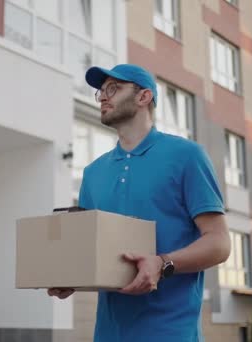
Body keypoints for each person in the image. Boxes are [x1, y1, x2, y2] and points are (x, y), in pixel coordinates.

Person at [48, 64, 232, 341]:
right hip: (108, 334)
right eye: (101, 92)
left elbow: (219, 243)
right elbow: (89, 251)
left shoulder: (186, 156)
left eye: (114, 88)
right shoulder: (93, 173)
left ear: (143, 97)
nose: (103, 97)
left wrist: (162, 263)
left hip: (171, 333)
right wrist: (69, 276)